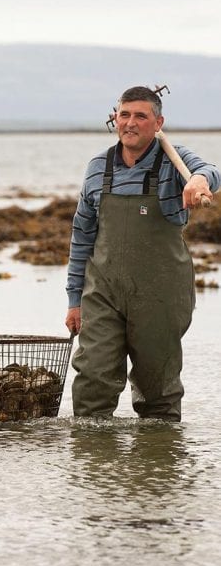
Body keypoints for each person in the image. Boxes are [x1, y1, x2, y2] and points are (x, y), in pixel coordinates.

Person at [65, 85, 220, 421]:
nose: (130, 123)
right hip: (103, 293)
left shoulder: (174, 163)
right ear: (115, 118)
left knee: (158, 391)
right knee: (93, 379)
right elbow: (81, 237)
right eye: (124, 115)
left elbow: (210, 171)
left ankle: (156, 466)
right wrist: (74, 299)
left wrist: (196, 181)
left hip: (160, 294)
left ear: (158, 122)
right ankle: (93, 466)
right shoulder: (97, 169)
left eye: (140, 116)